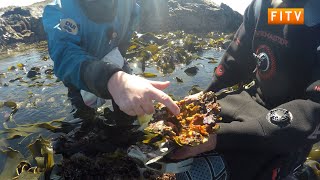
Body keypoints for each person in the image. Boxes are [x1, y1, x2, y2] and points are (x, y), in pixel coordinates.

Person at [170, 0, 320, 179]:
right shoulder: (262, 8)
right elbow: (234, 60)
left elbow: (312, 110)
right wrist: (204, 97)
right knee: (172, 137)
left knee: (198, 173)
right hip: (248, 103)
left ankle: (299, 173)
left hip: (288, 130)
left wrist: (216, 138)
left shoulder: (315, 18)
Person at [42, 0, 180, 121]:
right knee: (84, 118)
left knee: (131, 114)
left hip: (114, 57)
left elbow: (130, 24)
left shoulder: (128, 4)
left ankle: (127, 133)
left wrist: (120, 56)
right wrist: (111, 78)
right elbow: (64, 55)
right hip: (81, 72)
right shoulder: (59, 10)